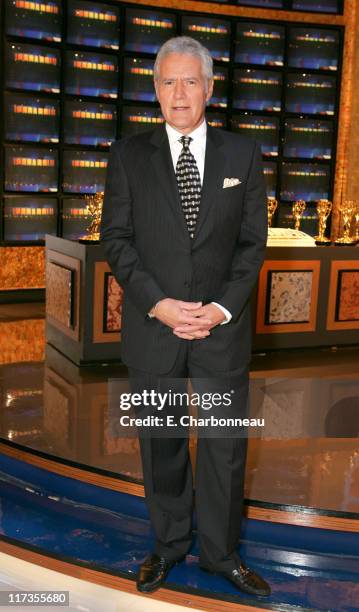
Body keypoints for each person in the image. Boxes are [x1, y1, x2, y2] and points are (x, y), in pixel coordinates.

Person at [100, 36, 270, 598]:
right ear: (155, 89)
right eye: (168, 82)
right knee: (163, 444)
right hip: (156, 329)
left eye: (190, 81)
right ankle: (170, 545)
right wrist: (159, 303)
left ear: (209, 87)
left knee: (224, 448)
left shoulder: (242, 155)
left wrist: (220, 308)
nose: (179, 93)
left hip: (222, 333)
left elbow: (251, 244)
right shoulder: (127, 155)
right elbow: (117, 241)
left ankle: (222, 556)